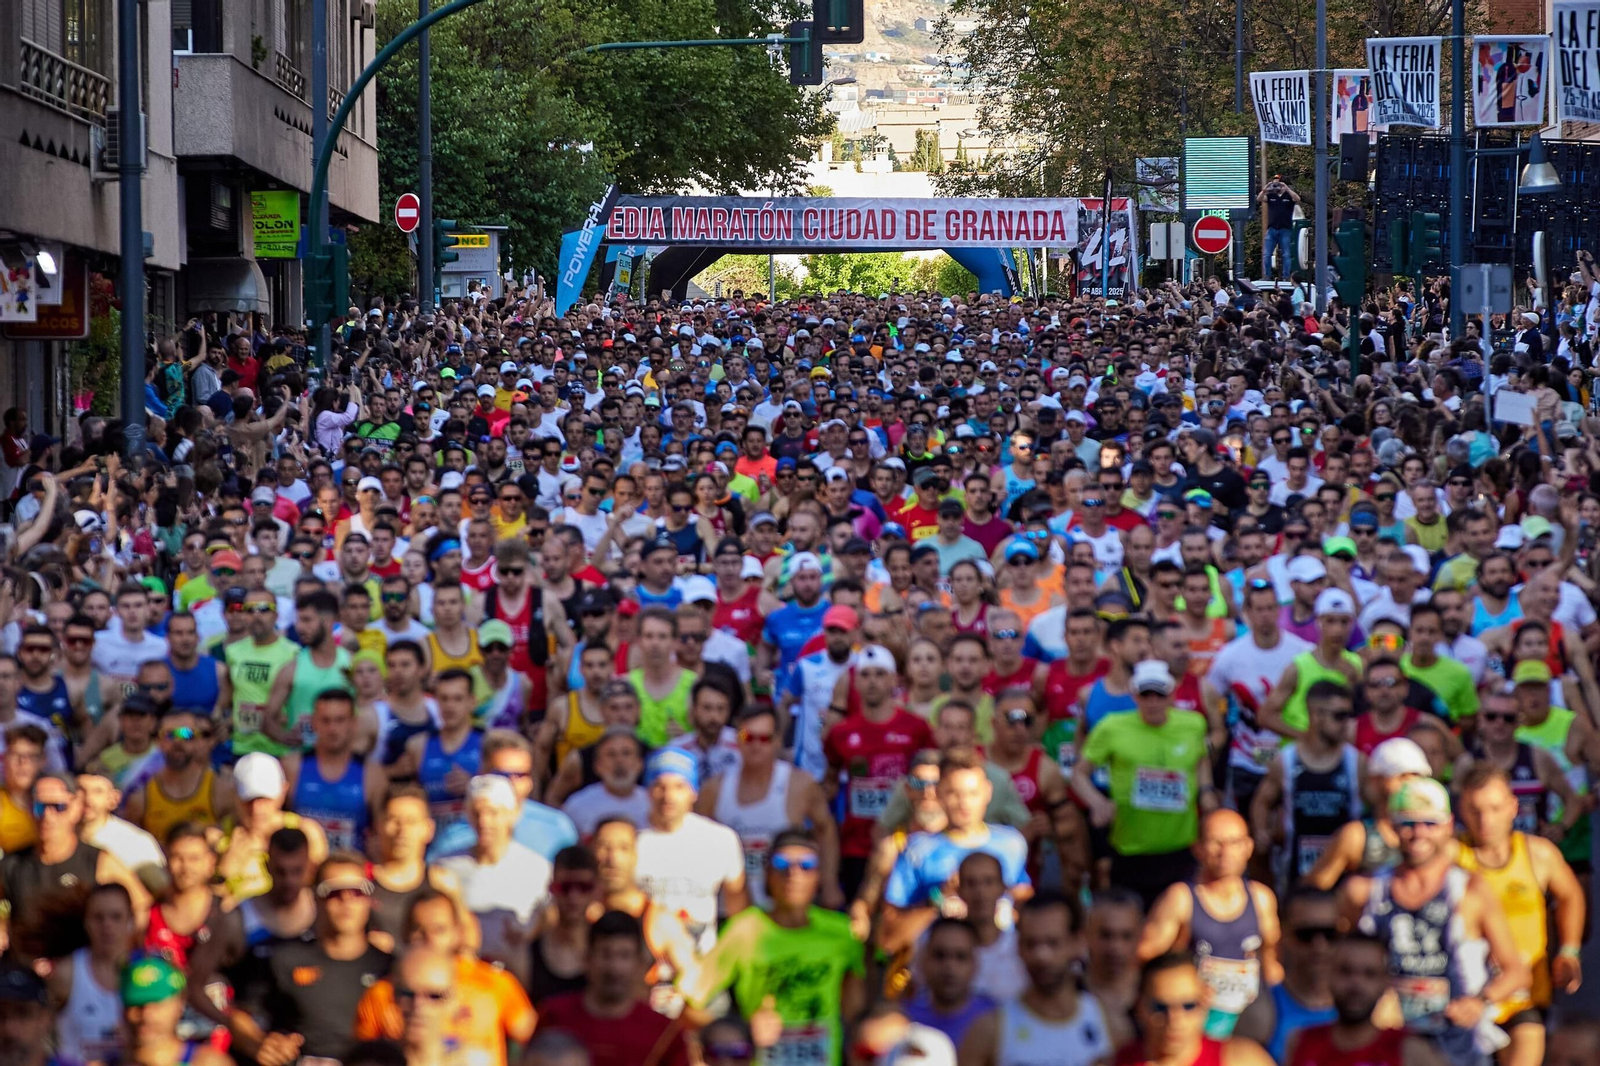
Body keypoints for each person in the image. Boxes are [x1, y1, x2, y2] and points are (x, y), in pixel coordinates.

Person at [1340, 778, 1529, 1066]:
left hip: (1458, 1048)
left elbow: (1516, 971)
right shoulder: (1365, 891)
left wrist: (1479, 1003)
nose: (1419, 833)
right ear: (1391, 826)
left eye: (1431, 823)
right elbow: (1337, 962)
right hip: (1387, 1045)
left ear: (1449, 825)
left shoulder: (1469, 890)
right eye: (1408, 823)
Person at [682, 829, 866, 1065]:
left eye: (807, 865)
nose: (793, 873)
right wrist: (741, 1034)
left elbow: (856, 1014)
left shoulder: (842, 933)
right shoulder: (744, 930)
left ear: (819, 876)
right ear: (767, 874)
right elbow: (690, 1006)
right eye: (781, 864)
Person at [1453, 764, 1586, 1066]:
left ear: (1513, 807)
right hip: (1468, 996)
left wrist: (1569, 949)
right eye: (1475, 810)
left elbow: (1570, 895)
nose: (1485, 820)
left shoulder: (1538, 854)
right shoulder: (1451, 856)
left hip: (1524, 997)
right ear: (1462, 810)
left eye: (1495, 808)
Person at [1073, 660, 1215, 906]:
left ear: (1171, 694)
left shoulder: (1193, 724)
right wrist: (1097, 802)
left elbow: (1200, 760)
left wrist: (1206, 790)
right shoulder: (1112, 727)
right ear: (1134, 695)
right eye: (1145, 694)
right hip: (1130, 849)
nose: (1153, 702)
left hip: (1180, 848)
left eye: (1159, 695)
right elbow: (1079, 773)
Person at [1138, 810, 1283, 1038]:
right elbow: (1144, 956)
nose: (1225, 852)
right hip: (1195, 1022)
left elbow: (1272, 963)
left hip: (1249, 1022)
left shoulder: (1262, 898)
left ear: (1248, 847)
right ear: (1198, 848)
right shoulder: (1180, 898)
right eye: (1216, 843)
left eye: (1234, 842)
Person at [354, 886, 538, 1066]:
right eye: (419, 930)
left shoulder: (493, 984)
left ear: (457, 933)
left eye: (439, 930)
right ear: (404, 934)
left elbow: (533, 1039)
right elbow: (364, 1055)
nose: (430, 939)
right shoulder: (382, 993)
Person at [698, 704, 840, 910]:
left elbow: (825, 829)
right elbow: (697, 843)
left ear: (777, 742)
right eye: (749, 737)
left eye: (765, 739)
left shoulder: (800, 785)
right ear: (737, 739)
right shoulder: (714, 789)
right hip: (730, 909)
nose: (756, 745)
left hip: (783, 906)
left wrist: (829, 883)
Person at [256, 852, 393, 1065]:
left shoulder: (391, 968)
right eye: (333, 892)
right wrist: (261, 1043)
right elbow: (244, 1014)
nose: (346, 900)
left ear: (370, 899)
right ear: (315, 898)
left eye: (357, 891)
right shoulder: (284, 960)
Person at [957, 893, 1117, 1066]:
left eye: (1053, 943)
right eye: (1031, 943)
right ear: (1018, 947)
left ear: (1077, 943)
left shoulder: (1111, 1027)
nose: (1042, 956)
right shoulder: (988, 1032)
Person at [533, 911, 693, 1066]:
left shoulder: (665, 1034)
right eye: (605, 954)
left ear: (639, 964)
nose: (614, 968)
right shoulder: (554, 1017)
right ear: (587, 959)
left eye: (624, 955)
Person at [437, 774, 552, 983]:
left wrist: (529, 933)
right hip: (462, 977)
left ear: (512, 814)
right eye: (476, 812)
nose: (484, 821)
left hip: (518, 977)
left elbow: (549, 915)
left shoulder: (538, 868)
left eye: (493, 812)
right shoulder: (445, 867)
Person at [1247, 680, 1364, 885]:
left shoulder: (1357, 762)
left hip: (1345, 870)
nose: (1347, 723)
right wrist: (1261, 832)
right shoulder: (1286, 761)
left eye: (1349, 715)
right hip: (1296, 870)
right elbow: (1262, 802)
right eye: (1339, 716)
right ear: (1316, 716)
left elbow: (1380, 807)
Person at [633, 748, 747, 954]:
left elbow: (737, 910)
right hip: (643, 964)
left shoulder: (721, 840)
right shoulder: (630, 841)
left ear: (693, 791)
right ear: (648, 791)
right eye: (659, 786)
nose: (668, 796)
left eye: (679, 786)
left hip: (702, 966)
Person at [1284, 934, 1447, 1066]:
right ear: (1329, 976)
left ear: (1385, 983)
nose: (1356, 984)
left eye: (1369, 974)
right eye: (1346, 971)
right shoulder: (1302, 1042)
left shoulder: (1409, 1050)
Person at [1233, 888, 1339, 1064]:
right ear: (1284, 936)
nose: (1320, 946)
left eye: (1330, 934)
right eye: (1305, 935)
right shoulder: (1261, 1014)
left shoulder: (1374, 1008)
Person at [1116, 954, 1276, 1066]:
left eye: (1188, 1006)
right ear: (1140, 1007)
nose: (1174, 1019)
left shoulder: (1244, 1061)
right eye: (1160, 1007)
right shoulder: (1114, 1062)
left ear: (1205, 1003)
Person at [49, 882, 136, 1064]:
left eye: (116, 917)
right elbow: (39, 1030)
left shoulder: (147, 972)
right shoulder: (66, 974)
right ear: (86, 923)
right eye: (98, 917)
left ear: (131, 921)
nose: (107, 925)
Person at [115, 954, 237, 1066]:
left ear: (179, 1004)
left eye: (157, 1004)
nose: (147, 1015)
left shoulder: (208, 1063)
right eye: (137, 1004)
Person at [907, 918, 995, 1050]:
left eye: (960, 956)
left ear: (975, 964)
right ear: (923, 961)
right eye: (940, 955)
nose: (950, 967)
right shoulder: (905, 1022)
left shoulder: (996, 1021)